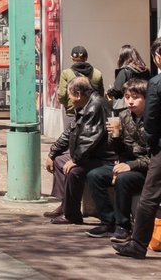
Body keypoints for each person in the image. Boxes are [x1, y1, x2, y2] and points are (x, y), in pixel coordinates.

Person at [84, 78, 149, 241]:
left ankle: (123, 226)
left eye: (135, 97)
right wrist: (115, 136)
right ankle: (108, 221)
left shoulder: (154, 118)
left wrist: (131, 165)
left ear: (147, 98)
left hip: (149, 168)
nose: (130, 101)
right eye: (127, 97)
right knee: (95, 175)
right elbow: (120, 149)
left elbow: (155, 155)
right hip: (129, 163)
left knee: (123, 179)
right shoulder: (125, 116)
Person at [115, 36, 161, 259]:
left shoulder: (156, 83)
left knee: (149, 197)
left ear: (157, 57)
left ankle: (138, 245)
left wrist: (152, 144)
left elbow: (151, 121)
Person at [44, 76, 113, 224]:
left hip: (100, 157)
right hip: (88, 154)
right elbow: (69, 132)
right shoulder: (83, 106)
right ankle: (65, 204)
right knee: (59, 160)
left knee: (74, 171)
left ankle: (72, 214)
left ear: (78, 94)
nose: (69, 99)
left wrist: (75, 160)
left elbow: (90, 139)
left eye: (70, 95)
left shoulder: (96, 106)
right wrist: (53, 152)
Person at [58, 45, 105, 115]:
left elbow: (61, 96)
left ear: (71, 58)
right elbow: (100, 94)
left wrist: (69, 106)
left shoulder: (66, 74)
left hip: (73, 113)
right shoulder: (97, 73)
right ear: (86, 57)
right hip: (93, 112)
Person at [109, 45, 150, 112]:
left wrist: (109, 92)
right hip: (143, 104)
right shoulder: (145, 70)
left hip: (127, 106)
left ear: (122, 57)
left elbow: (117, 90)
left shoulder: (124, 71)